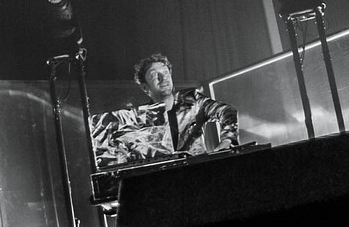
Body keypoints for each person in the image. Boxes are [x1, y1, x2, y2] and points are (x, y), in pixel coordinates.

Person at [89, 53, 239, 168]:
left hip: (199, 173)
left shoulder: (192, 99)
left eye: (166, 72)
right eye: (155, 75)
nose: (163, 78)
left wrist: (226, 142)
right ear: (145, 88)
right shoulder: (141, 118)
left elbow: (227, 112)